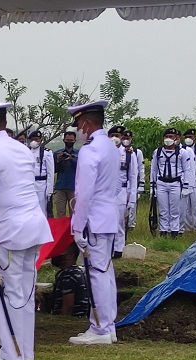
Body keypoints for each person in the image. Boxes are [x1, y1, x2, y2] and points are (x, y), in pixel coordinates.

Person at [0, 99, 53, 360]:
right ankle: (25, 352)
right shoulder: (22, 149)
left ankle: (11, 354)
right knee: (25, 293)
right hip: (34, 225)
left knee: (10, 291)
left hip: (12, 229)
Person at [66, 100, 119, 345]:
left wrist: (77, 226)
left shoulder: (90, 150)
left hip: (94, 220)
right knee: (105, 273)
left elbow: (84, 193)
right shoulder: (110, 147)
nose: (78, 130)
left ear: (86, 123)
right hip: (108, 216)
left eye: (78, 125)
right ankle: (108, 325)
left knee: (96, 274)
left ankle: (100, 328)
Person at [150, 127, 193, 238]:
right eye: (166, 137)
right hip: (161, 183)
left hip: (176, 183)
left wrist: (186, 186)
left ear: (175, 138)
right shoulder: (158, 151)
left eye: (171, 137)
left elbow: (187, 169)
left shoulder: (182, 152)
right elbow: (154, 169)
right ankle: (163, 231)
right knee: (163, 209)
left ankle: (174, 231)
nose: (168, 139)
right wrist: (152, 185)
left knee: (175, 209)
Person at [107, 125, 138, 258]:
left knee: (119, 220)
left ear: (122, 137)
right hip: (105, 191)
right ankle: (107, 247)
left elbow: (133, 176)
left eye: (117, 136)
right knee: (106, 220)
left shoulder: (129, 154)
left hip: (122, 191)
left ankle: (119, 248)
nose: (115, 138)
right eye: (112, 135)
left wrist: (132, 198)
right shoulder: (103, 152)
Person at [50, 243, 89, 317]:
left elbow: (68, 305)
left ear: (70, 256)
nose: (56, 254)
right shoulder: (78, 272)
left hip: (70, 319)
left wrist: (62, 320)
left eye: (60, 251)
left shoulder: (68, 274)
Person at [181, 128, 196, 232]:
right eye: (186, 137)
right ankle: (187, 228)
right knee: (185, 206)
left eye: (190, 137)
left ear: (195, 138)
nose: (188, 139)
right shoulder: (181, 149)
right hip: (185, 179)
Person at [52, 131, 79, 217]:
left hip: (74, 187)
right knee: (60, 213)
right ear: (64, 140)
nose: (69, 142)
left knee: (74, 214)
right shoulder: (57, 153)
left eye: (71, 140)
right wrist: (58, 161)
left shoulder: (79, 153)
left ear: (75, 140)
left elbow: (81, 169)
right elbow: (53, 170)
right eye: (67, 140)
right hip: (60, 187)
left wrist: (72, 159)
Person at [27, 130, 54, 215]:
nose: (34, 141)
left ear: (40, 140)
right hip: (29, 184)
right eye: (32, 139)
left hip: (41, 185)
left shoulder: (46, 152)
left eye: (36, 139)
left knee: (42, 210)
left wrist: (49, 191)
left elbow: (50, 173)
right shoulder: (26, 151)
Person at [122, 130, 144, 229]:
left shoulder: (137, 152)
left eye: (128, 138)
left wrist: (141, 183)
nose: (126, 140)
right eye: (124, 138)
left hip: (133, 182)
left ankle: (131, 225)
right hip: (122, 183)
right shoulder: (117, 151)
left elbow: (141, 168)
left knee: (132, 205)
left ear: (131, 139)